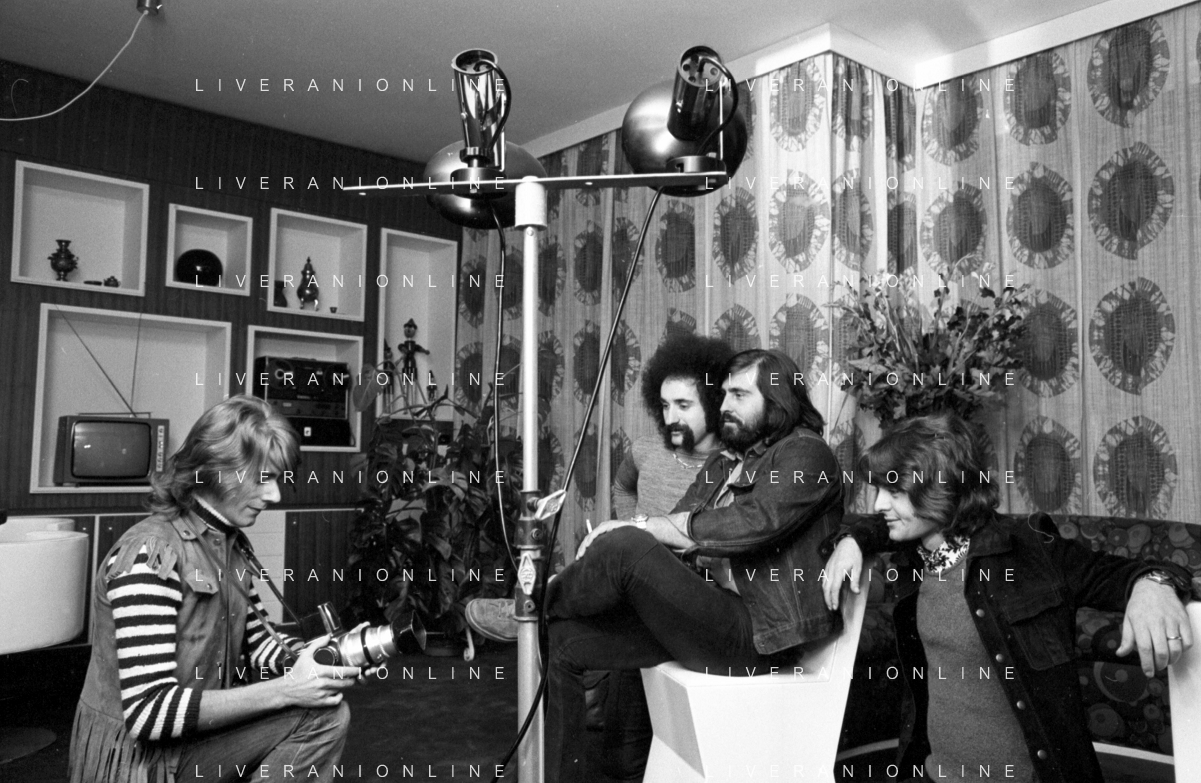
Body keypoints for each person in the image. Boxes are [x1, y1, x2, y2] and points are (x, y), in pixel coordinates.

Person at [821, 413, 1194, 783]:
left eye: (893, 491)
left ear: (939, 487)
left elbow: (1126, 572)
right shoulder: (916, 553)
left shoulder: (1029, 550)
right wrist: (854, 540)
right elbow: (880, 525)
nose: (878, 504)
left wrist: (1154, 584)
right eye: (878, 490)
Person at [544, 348, 845, 782]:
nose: (724, 406)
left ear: (777, 399)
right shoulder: (725, 463)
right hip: (708, 615)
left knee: (629, 542)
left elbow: (754, 523)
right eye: (724, 395)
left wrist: (635, 531)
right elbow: (674, 528)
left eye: (739, 395)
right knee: (566, 642)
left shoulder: (806, 454)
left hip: (756, 634)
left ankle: (539, 604)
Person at [465, 333, 734, 779]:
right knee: (618, 756)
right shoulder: (647, 450)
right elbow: (623, 485)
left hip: (684, 603)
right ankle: (544, 614)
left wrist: (644, 537)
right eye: (664, 405)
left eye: (684, 405)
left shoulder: (732, 467)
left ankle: (533, 608)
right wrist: (631, 520)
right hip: (633, 603)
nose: (671, 417)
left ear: (712, 401)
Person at [69, 395, 364, 783]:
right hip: (138, 763)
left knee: (325, 715)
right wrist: (289, 689)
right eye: (263, 479)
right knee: (312, 713)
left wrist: (327, 659)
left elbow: (260, 644)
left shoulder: (229, 544)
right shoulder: (150, 552)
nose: (275, 495)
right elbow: (149, 712)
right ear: (218, 472)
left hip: (191, 741)